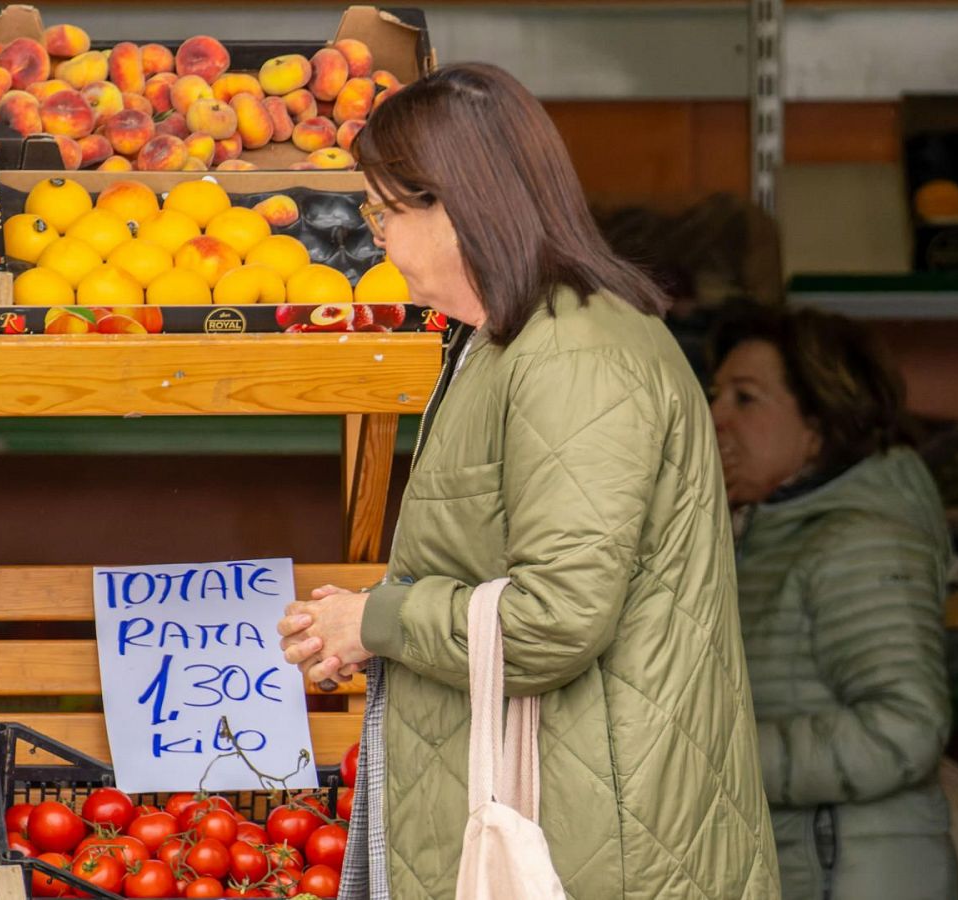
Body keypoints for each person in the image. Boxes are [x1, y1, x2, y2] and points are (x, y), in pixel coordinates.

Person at [277, 63, 780, 900]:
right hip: (576, 823)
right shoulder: (511, 342)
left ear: (457, 205)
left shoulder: (573, 357)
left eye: (385, 212)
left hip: (598, 847)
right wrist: (363, 622)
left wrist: (381, 620)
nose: (377, 240)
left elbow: (556, 618)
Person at [707, 303, 957, 900]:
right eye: (715, 395)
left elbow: (907, 727)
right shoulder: (773, 535)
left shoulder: (860, 542)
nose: (714, 416)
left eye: (745, 399)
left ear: (819, 424)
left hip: (856, 878)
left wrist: (724, 757)